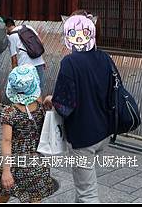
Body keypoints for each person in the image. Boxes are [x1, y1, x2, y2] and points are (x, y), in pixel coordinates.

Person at [43, 14, 112, 203]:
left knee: (87, 192)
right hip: (104, 131)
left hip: (83, 136)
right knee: (83, 184)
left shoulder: (70, 62)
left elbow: (64, 105)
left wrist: (50, 99)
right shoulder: (105, 58)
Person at [0, 65, 55, 203]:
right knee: (34, 198)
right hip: (35, 161)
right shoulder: (41, 108)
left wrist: (6, 171)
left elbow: (7, 141)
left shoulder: (10, 112)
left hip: (12, 160)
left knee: (4, 193)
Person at [5, 18, 46, 96]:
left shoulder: (11, 37)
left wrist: (15, 74)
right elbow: (40, 42)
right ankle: (39, 107)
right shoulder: (27, 27)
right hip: (39, 62)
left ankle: (29, 108)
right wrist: (42, 60)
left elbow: (14, 59)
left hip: (25, 66)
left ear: (6, 26)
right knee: (39, 88)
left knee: (27, 91)